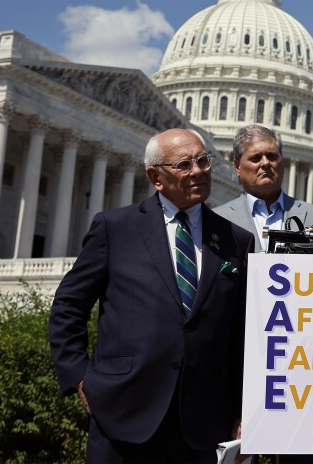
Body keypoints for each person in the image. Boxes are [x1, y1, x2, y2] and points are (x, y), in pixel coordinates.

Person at [49, 129, 254, 463]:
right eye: (184, 164)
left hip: (203, 421)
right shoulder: (115, 228)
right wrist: (79, 377)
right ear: (155, 177)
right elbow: (69, 305)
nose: (199, 171)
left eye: (203, 161)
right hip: (122, 412)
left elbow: (241, 334)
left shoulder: (235, 239)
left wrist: (242, 411)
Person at [214, 124, 313, 251]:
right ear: (237, 167)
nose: (265, 163)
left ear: (282, 161)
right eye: (256, 158)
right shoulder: (217, 219)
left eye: (271, 156)